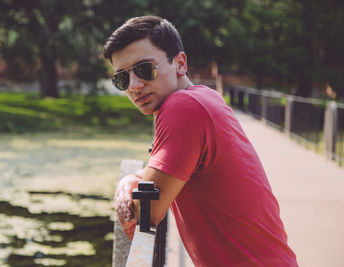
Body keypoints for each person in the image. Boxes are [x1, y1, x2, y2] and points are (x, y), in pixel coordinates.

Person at [103, 16, 298, 266]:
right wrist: (133, 178)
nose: (134, 86)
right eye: (122, 78)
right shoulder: (205, 97)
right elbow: (166, 173)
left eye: (144, 69)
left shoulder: (183, 107)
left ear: (180, 63)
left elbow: (145, 212)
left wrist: (127, 184)